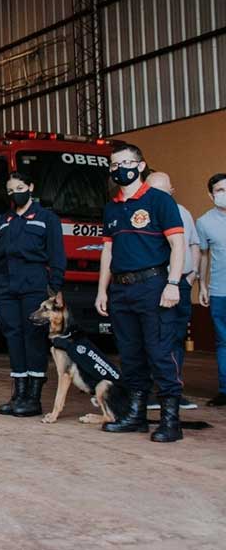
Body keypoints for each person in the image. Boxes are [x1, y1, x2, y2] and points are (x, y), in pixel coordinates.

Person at [95, 144, 186, 442]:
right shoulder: (112, 207)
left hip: (154, 287)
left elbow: (178, 245)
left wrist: (172, 284)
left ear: (141, 165)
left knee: (160, 352)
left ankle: (171, 421)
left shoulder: (160, 201)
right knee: (130, 354)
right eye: (113, 164)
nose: (119, 168)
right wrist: (102, 290)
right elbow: (108, 251)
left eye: (125, 162)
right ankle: (136, 416)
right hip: (121, 290)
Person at [0, 171, 66, 417]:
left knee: (33, 337)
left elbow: (57, 257)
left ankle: (33, 398)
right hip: (8, 287)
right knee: (13, 336)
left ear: (31, 186)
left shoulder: (47, 219)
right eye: (11, 190)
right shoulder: (5, 220)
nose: (16, 193)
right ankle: (19, 394)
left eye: (20, 187)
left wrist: (54, 290)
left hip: (35, 286)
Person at [146, 172, 200, 410]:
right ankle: (149, 391)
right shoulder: (141, 213)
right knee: (153, 337)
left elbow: (193, 245)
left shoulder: (183, 213)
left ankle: (173, 391)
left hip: (181, 285)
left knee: (176, 337)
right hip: (155, 284)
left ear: (172, 191)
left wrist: (192, 275)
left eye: (163, 191)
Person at [197, 173, 226, 407]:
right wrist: (203, 285)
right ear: (211, 195)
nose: (225, 194)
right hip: (220, 291)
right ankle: (225, 390)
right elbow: (204, 256)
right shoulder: (204, 222)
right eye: (220, 191)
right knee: (223, 342)